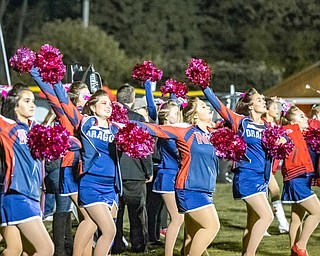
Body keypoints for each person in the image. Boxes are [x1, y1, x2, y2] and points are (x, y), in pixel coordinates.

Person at [135, 96, 220, 256]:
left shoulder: (210, 134)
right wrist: (124, 123)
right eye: (203, 107)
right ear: (195, 115)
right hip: (189, 188)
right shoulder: (184, 131)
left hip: (206, 189)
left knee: (192, 235)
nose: (208, 108)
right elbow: (155, 129)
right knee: (211, 227)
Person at [30, 68, 96, 256]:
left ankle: (79, 249)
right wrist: (38, 73)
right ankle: (62, 249)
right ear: (74, 98)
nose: (88, 97)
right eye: (84, 95)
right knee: (78, 213)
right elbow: (52, 96)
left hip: (86, 173)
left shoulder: (90, 117)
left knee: (88, 218)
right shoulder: (67, 116)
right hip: (68, 170)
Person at [203, 87, 276, 256]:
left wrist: (282, 139)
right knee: (267, 217)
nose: (263, 102)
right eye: (259, 100)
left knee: (253, 223)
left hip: (262, 178)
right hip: (246, 176)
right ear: (250, 106)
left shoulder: (267, 126)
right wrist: (205, 87)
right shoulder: (242, 122)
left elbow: (283, 139)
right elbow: (220, 108)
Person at [0, 83, 54, 255]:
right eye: (27, 101)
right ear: (15, 104)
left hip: (32, 195)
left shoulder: (33, 129)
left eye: (33, 101)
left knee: (16, 250)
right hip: (17, 195)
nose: (33, 105)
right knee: (46, 249)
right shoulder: (8, 126)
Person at [112, 84, 153, 254]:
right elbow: (145, 147)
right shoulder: (138, 118)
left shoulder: (109, 117)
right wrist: (148, 170)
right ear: (133, 99)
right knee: (137, 212)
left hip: (116, 171)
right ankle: (139, 244)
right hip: (135, 172)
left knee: (117, 213)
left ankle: (116, 243)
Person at [144, 81, 184, 255]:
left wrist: (174, 94)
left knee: (182, 216)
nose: (180, 115)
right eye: (177, 113)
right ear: (168, 116)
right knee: (176, 218)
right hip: (167, 176)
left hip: (176, 176)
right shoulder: (167, 131)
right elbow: (178, 154)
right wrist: (147, 85)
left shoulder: (175, 129)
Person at [280, 106, 320, 256]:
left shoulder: (306, 133)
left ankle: (294, 254)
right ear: (292, 121)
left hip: (304, 179)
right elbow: (284, 137)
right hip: (296, 179)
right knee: (317, 212)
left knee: (297, 218)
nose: (306, 119)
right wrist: (282, 139)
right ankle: (300, 246)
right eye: (301, 116)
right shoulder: (289, 131)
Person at [42, 109, 73, 256]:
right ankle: (60, 249)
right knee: (63, 206)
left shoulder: (52, 122)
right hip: (56, 168)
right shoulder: (56, 124)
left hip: (57, 168)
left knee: (65, 206)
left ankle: (67, 245)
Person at [263, 97, 289, 234]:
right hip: (263, 166)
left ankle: (265, 226)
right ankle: (283, 223)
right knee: (275, 191)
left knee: (268, 195)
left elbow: (288, 115)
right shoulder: (263, 125)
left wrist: (283, 103)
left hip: (272, 167)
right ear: (266, 110)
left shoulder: (277, 125)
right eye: (274, 107)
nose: (277, 110)